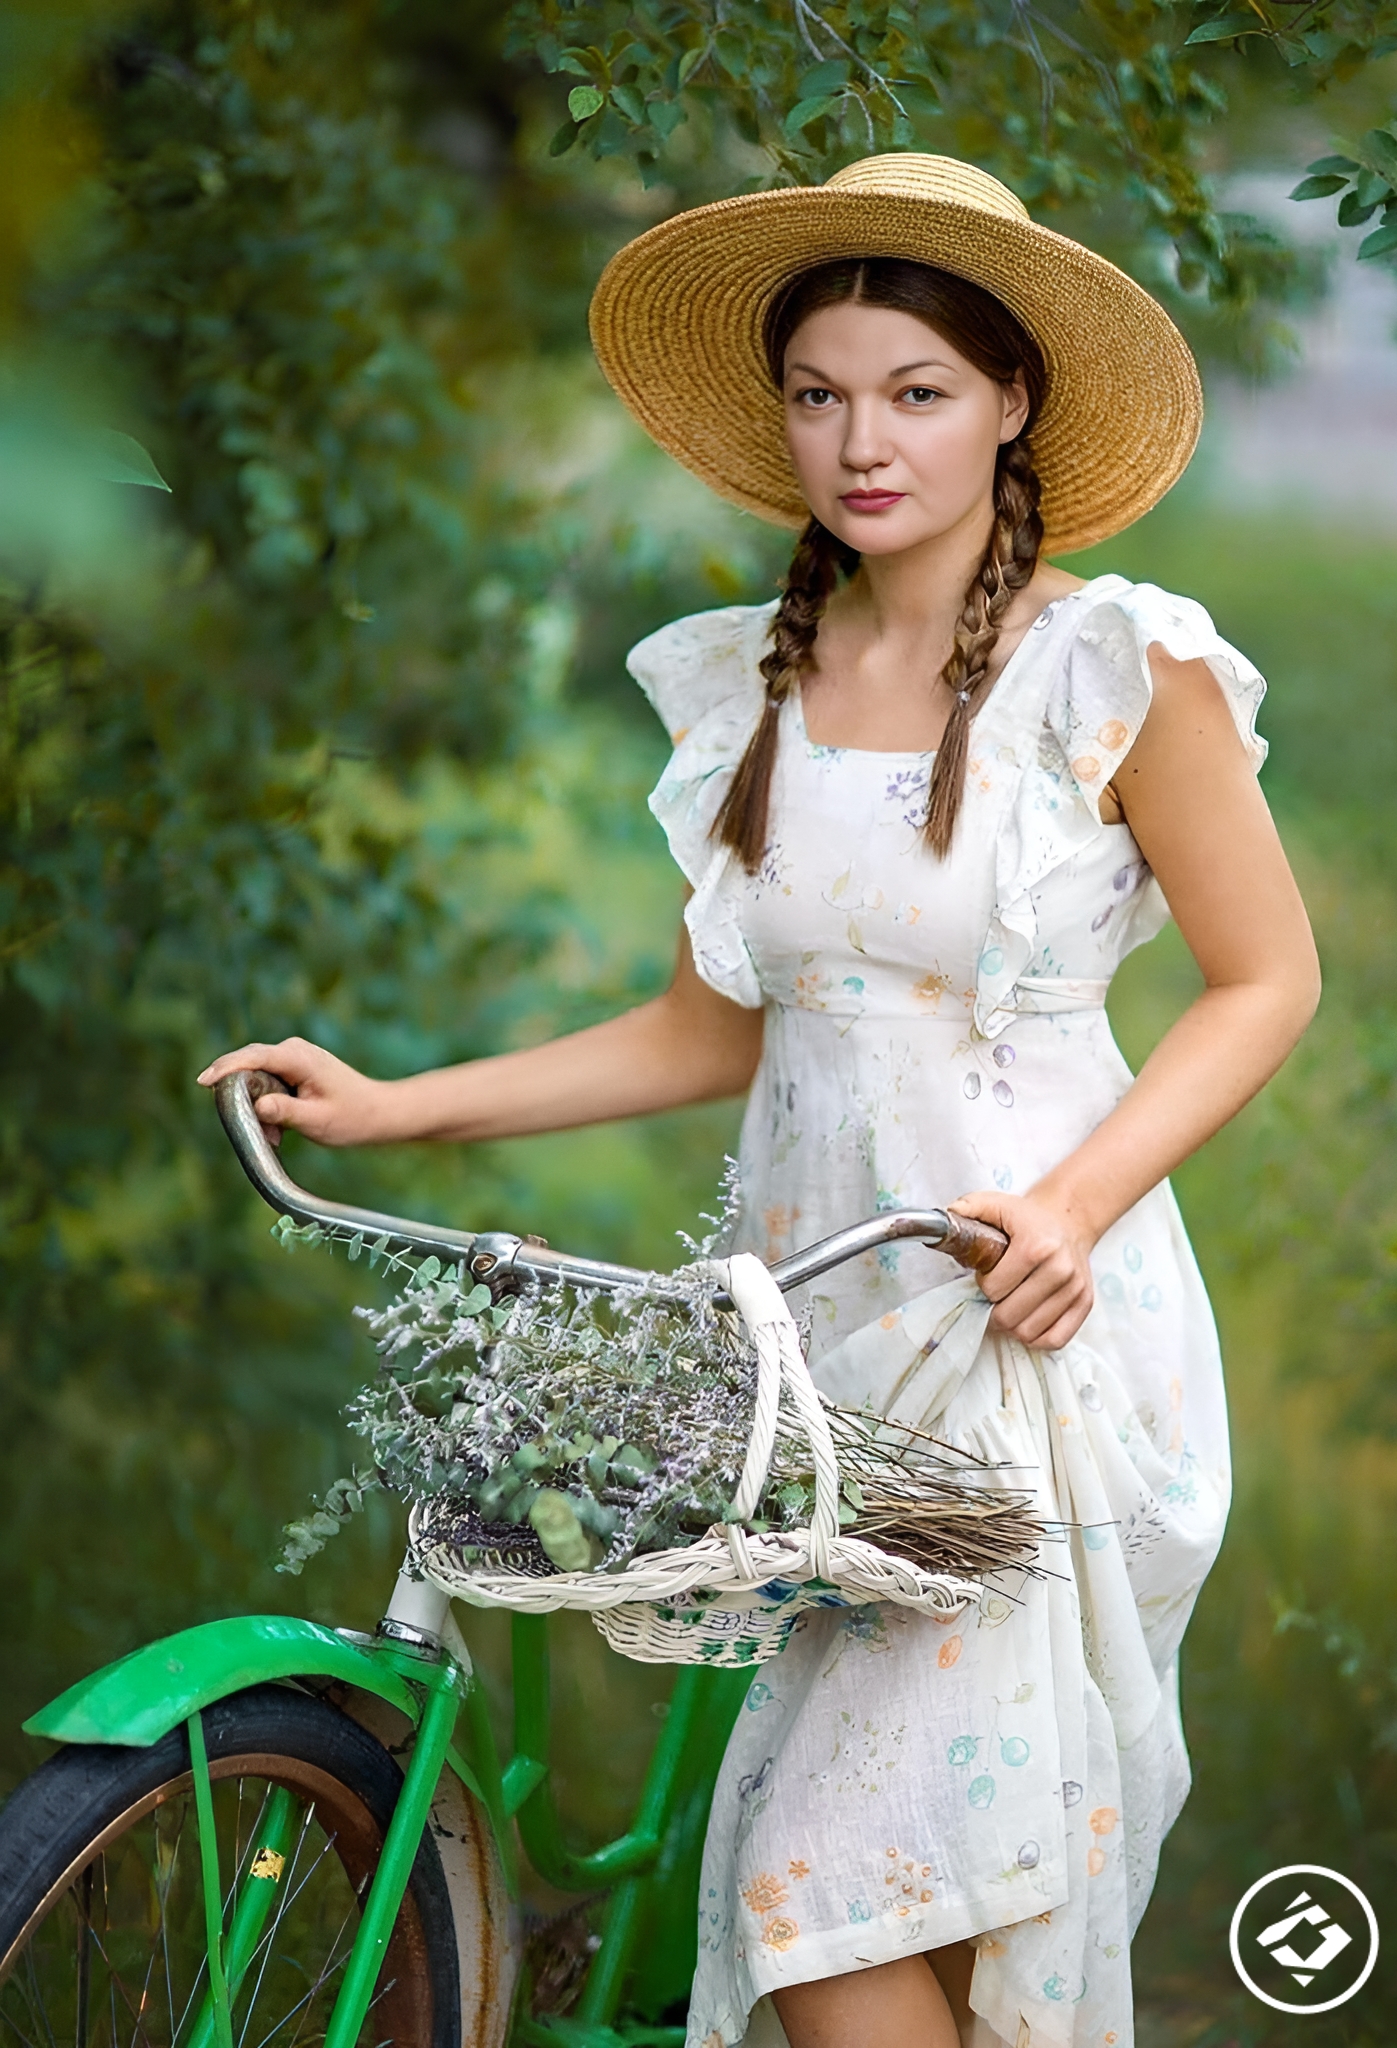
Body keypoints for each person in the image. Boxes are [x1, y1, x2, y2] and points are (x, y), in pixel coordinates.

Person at [200, 154, 1319, 2048]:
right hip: (809, 1347)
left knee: (834, 1888)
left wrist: (1073, 1207)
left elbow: (1267, 978)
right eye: (821, 395)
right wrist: (394, 1106)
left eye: (916, 392)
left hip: (1020, 1335)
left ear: (1011, 400)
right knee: (930, 1913)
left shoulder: (1117, 670)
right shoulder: (770, 681)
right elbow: (709, 1031)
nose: (860, 441)